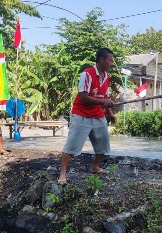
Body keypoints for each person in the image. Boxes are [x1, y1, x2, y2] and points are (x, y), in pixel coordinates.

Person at [58, 48, 116, 185]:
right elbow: (83, 98)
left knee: (103, 145)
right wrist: (103, 102)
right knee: (71, 146)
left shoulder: (107, 77)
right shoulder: (87, 74)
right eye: (109, 60)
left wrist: (110, 113)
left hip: (97, 114)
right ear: (101, 60)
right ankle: (62, 173)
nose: (111, 63)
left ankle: (95, 166)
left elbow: (105, 97)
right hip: (81, 114)